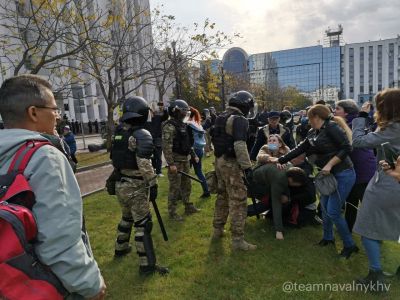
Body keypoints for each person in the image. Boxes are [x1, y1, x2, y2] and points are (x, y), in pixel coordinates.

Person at [0, 74, 106, 299]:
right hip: (48, 285)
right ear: (33, 112)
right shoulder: (43, 157)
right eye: (54, 109)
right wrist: (89, 283)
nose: (57, 116)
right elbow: (59, 240)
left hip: (10, 279)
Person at [271, 104, 358, 259]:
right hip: (327, 176)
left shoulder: (331, 127)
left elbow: (346, 148)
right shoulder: (313, 132)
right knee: (324, 207)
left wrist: (330, 164)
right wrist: (280, 159)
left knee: (333, 211)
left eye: (309, 118)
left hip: (343, 174)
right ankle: (328, 238)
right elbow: (299, 149)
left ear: (316, 117)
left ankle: (350, 245)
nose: (307, 121)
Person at [111, 96, 169, 276]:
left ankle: (120, 248)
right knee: (143, 224)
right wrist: (153, 183)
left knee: (126, 218)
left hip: (121, 183)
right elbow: (144, 163)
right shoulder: (141, 134)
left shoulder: (119, 133)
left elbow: (115, 158)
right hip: (136, 186)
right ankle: (147, 264)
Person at [350, 89, 400, 288]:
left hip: (388, 184)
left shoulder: (394, 128)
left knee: (368, 228)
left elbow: (359, 141)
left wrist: (361, 116)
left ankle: (375, 277)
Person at [211, 90, 257, 251]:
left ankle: (217, 229)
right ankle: (237, 240)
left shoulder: (221, 117)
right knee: (238, 199)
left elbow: (214, 139)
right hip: (231, 164)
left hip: (219, 161)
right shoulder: (239, 120)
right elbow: (239, 145)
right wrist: (247, 168)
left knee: (222, 196)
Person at [334, 100, 376, 231]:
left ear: (346, 112)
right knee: (351, 200)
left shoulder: (354, 124)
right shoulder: (348, 123)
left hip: (362, 168)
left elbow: (352, 144)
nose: (334, 111)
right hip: (355, 168)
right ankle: (349, 227)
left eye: (337, 109)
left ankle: (374, 232)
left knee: (365, 202)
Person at [162, 99, 200, 221]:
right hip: (176, 162)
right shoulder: (169, 126)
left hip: (185, 160)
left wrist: (193, 154)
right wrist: (171, 164)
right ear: (176, 112)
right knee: (175, 187)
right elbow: (166, 146)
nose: (185, 114)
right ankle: (172, 212)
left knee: (186, 185)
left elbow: (187, 143)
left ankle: (188, 206)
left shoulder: (183, 125)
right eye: (184, 112)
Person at [250, 165, 308, 240]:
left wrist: (287, 196)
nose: (297, 186)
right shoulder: (279, 179)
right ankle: (244, 211)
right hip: (255, 184)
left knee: (277, 199)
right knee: (269, 202)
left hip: (263, 178)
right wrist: (279, 230)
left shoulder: (289, 170)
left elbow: (285, 186)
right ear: (290, 179)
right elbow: (276, 204)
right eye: (297, 184)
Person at [187, 107, 210, 198]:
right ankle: (206, 190)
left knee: (185, 172)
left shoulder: (189, 125)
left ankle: (182, 194)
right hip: (200, 149)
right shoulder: (198, 124)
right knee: (199, 171)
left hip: (193, 150)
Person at [145, 102, 169, 177]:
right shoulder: (145, 121)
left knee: (158, 156)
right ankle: (153, 170)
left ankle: (159, 172)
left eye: (151, 111)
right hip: (148, 141)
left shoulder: (158, 118)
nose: (151, 112)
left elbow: (165, 116)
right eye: (149, 111)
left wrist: (164, 109)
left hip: (157, 140)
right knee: (151, 157)